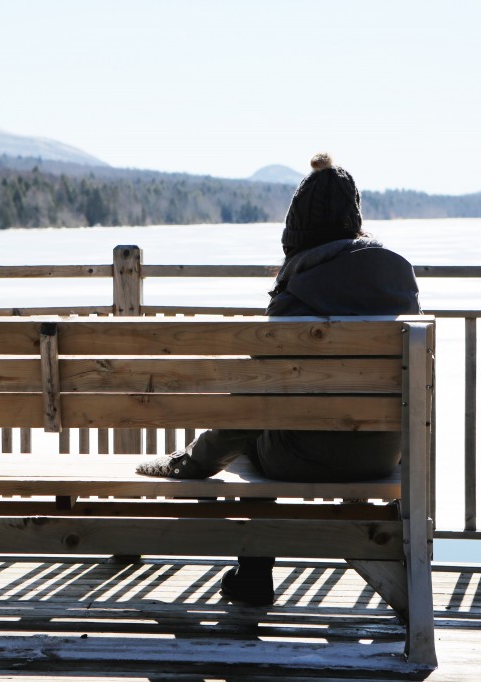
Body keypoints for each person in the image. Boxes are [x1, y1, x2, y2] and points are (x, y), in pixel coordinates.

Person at [135, 152, 421, 606]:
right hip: (384, 453)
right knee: (271, 428)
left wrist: (195, 462)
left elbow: (254, 404)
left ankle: (254, 574)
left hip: (301, 459)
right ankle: (399, 577)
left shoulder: (295, 295)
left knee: (253, 438)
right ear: (355, 220)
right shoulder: (399, 283)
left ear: (296, 226)